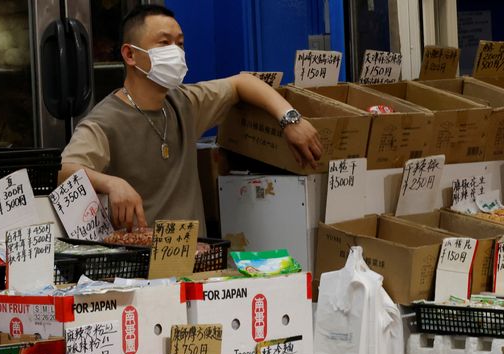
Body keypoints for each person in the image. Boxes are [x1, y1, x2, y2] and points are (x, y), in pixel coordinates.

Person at [60, 5, 322, 232]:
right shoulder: (105, 121)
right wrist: (112, 183)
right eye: (164, 43)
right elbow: (64, 171)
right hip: (141, 268)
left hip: (195, 260)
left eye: (180, 43)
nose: (175, 51)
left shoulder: (183, 102)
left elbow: (242, 83)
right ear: (130, 55)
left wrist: (291, 120)